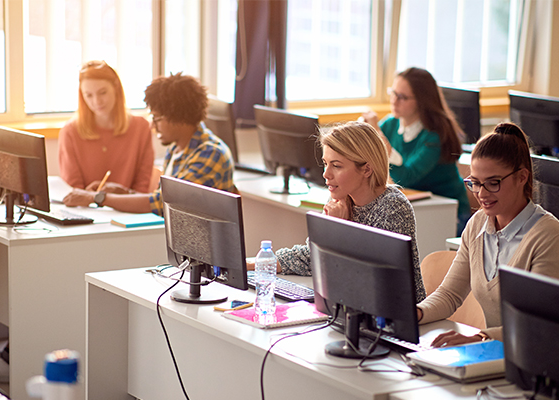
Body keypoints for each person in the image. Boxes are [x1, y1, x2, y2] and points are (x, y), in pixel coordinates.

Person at [417, 122, 559, 347]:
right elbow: (449, 294)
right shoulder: (478, 224)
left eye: (493, 183)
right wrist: (416, 313)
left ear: (522, 177)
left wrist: (481, 338)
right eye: (475, 183)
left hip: (538, 357)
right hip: (493, 353)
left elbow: (537, 321)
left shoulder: (548, 236)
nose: (482, 193)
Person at [270, 121, 426, 303]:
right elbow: (313, 255)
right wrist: (264, 263)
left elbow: (363, 277)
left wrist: (340, 228)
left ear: (367, 169)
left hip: (395, 318)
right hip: (353, 309)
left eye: (336, 166)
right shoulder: (340, 198)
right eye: (325, 163)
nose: (326, 174)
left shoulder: (393, 207)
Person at [63, 72, 236, 214]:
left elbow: (165, 204)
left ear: (179, 118)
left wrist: (97, 198)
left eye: (157, 119)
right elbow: (161, 197)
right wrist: (124, 192)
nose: (152, 126)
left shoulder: (210, 153)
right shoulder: (177, 148)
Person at [362, 67, 470, 236]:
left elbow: (405, 178)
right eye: (393, 93)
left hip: (448, 212)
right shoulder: (391, 124)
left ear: (421, 101)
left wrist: (379, 138)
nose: (394, 101)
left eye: (402, 97)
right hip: (415, 208)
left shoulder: (434, 135)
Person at [58, 60, 155, 194]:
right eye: (89, 95)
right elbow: (74, 191)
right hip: (86, 211)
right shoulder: (70, 132)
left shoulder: (141, 128)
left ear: (116, 87)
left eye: (102, 92)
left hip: (129, 210)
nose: (97, 102)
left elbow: (141, 188)